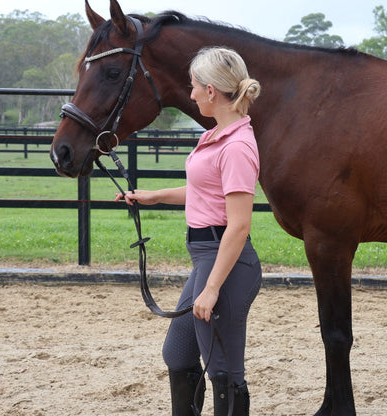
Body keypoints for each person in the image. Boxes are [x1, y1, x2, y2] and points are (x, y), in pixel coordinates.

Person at [116, 46, 262, 416]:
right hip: (205, 257)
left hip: (223, 261)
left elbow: (240, 223)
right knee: (178, 355)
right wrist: (153, 196)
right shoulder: (216, 136)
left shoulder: (238, 146)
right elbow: (205, 190)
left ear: (211, 91)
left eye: (194, 85)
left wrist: (212, 288)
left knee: (224, 371)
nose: (191, 92)